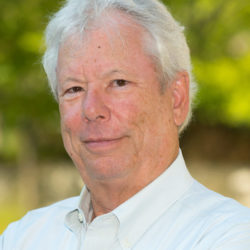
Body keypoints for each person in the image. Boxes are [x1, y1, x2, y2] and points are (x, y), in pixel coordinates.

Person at [1, 0, 250, 249]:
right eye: (74, 88)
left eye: (119, 82)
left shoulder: (229, 237)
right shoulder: (22, 238)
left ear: (176, 99)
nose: (92, 109)